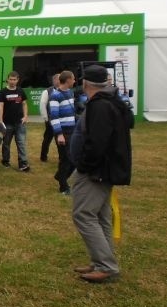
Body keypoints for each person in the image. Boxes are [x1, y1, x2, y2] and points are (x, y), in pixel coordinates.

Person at [68, 64, 132, 283]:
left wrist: (85, 166)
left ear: (85, 83)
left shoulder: (101, 106)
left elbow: (97, 142)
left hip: (96, 172)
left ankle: (106, 265)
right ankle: (101, 262)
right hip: (103, 169)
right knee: (100, 216)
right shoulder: (111, 101)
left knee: (83, 215)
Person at [49, 70, 77, 194]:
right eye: (73, 79)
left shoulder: (70, 92)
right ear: (68, 80)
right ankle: (63, 187)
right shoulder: (55, 95)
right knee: (67, 159)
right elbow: (54, 116)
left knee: (73, 159)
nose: (75, 81)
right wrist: (59, 134)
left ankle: (60, 176)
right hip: (63, 132)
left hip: (72, 130)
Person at [0, 71, 30, 171]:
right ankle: (5, 160)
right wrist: (0, 120)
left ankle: (23, 164)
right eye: (10, 79)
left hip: (20, 122)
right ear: (7, 80)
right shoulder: (3, 92)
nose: (12, 81)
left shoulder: (20, 91)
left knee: (21, 143)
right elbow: (0, 106)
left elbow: (24, 104)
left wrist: (25, 116)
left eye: (14, 80)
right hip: (7, 122)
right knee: (6, 143)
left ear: (17, 80)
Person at [39, 73, 60, 162]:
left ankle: (62, 157)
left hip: (61, 119)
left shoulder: (66, 90)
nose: (61, 80)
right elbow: (42, 105)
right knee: (47, 138)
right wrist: (46, 118)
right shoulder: (47, 91)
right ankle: (43, 157)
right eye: (59, 79)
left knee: (60, 139)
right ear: (54, 80)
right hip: (50, 120)